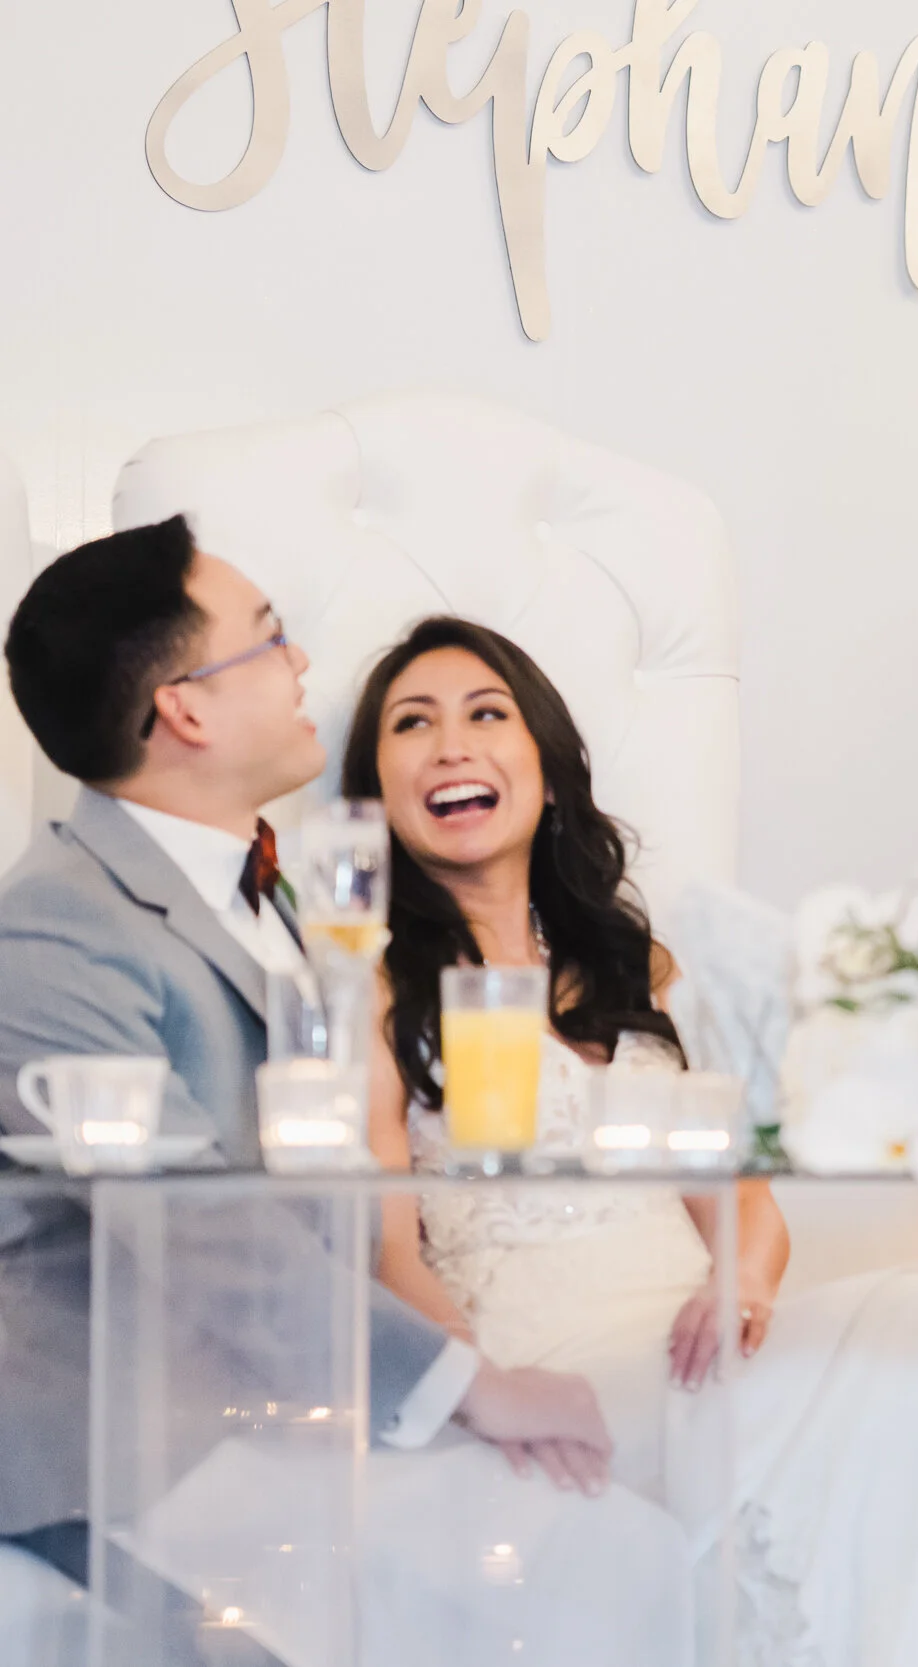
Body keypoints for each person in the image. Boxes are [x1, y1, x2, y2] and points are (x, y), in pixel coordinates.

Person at [342, 614, 918, 1667]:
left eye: (486, 714)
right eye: (413, 723)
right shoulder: (371, 987)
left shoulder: (639, 968)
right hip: (543, 1366)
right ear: (376, 788)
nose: (451, 745)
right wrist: (486, 1388)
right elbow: (387, 1251)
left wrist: (743, 1282)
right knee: (915, 1330)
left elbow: (744, 1206)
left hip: (696, 1350)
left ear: (546, 767)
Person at [0, 519, 628, 1647]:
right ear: (186, 708)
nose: (299, 665)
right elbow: (199, 1226)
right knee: (591, 1571)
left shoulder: (283, 900)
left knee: (618, 1554)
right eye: (270, 637)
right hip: (119, 1462)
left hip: (290, 1414)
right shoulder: (56, 924)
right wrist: (467, 1386)